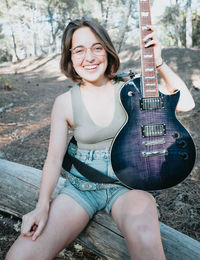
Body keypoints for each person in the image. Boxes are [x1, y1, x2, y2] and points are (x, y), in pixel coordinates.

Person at [6, 18, 195, 260]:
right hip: (80, 189)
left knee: (146, 241)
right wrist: (42, 207)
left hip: (127, 186)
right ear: (70, 58)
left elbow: (187, 104)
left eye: (97, 47)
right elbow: (53, 160)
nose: (90, 57)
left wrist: (158, 62)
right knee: (20, 256)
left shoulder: (132, 88)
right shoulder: (64, 103)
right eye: (79, 50)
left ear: (107, 50)